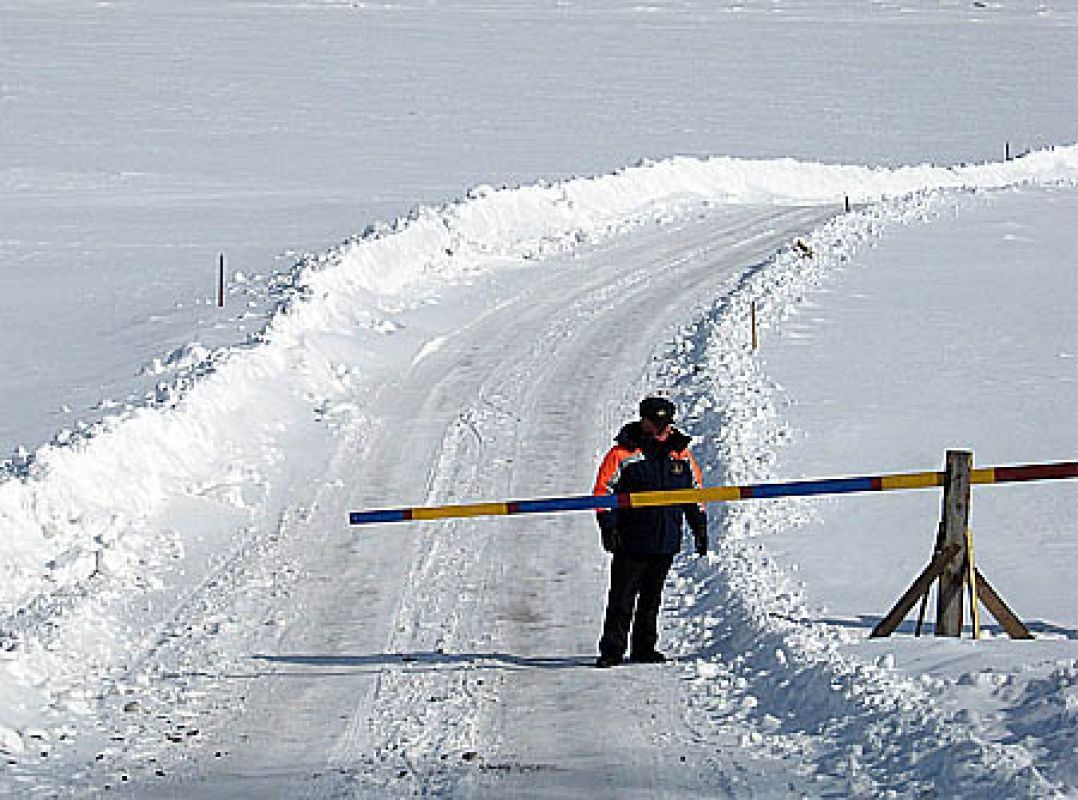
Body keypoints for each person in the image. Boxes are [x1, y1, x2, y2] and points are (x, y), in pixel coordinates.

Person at [592, 396, 708, 668]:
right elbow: (602, 491)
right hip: (631, 540)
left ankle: (644, 647)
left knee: (652, 598)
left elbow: (695, 493)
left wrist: (699, 527)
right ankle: (612, 649)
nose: (662, 429)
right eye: (656, 423)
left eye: (666, 423)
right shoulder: (622, 454)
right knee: (621, 597)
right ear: (643, 421)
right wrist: (608, 527)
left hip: (665, 539)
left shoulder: (680, 454)